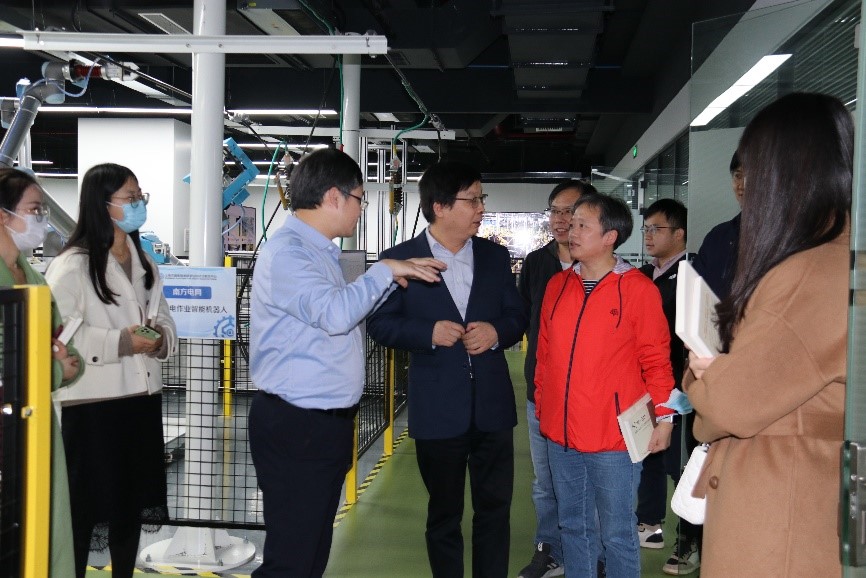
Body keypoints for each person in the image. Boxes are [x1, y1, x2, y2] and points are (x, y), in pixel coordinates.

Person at [247, 148, 445, 578]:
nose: (361, 208)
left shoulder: (318, 252)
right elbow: (336, 315)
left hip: (321, 424)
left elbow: (339, 310)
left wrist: (393, 276)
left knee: (312, 549)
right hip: (297, 425)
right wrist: (384, 270)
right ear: (334, 197)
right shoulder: (290, 254)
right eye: (360, 198)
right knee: (292, 557)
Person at [685, 92, 851, 577]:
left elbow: (728, 407)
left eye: (753, 169)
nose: (746, 184)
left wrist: (703, 377)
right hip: (804, 497)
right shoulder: (835, 257)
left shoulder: (809, 273)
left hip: (779, 515)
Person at [367, 160, 527, 578]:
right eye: (472, 200)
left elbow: (517, 315)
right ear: (439, 206)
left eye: (481, 199)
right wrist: (428, 333)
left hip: (492, 409)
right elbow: (380, 324)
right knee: (444, 515)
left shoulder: (494, 256)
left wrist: (496, 332)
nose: (481, 208)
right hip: (438, 410)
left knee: (495, 510)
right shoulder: (399, 260)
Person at [45, 163, 177, 578]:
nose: (138, 204)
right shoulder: (72, 266)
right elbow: (57, 337)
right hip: (93, 408)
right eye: (130, 198)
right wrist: (120, 342)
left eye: (140, 197)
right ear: (102, 205)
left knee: (129, 507)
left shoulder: (145, 263)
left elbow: (164, 318)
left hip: (140, 401)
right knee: (85, 510)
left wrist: (160, 339)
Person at [534, 192, 675, 578]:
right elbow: (544, 355)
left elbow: (656, 361)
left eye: (583, 224)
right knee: (573, 526)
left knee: (617, 533)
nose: (572, 230)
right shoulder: (558, 286)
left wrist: (665, 418)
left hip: (613, 437)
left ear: (610, 236)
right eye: (572, 222)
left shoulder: (637, 289)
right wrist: (545, 406)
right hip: (562, 434)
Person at [0, 168, 82, 578]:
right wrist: (54, 370)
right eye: (35, 210)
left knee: (42, 522)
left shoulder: (31, 276)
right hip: (8, 424)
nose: (42, 220)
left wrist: (68, 363)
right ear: (3, 215)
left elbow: (57, 340)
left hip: (35, 420)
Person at [517, 179, 596, 578]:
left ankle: (593, 554)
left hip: (592, 397)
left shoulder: (604, 268)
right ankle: (549, 549)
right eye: (556, 211)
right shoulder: (537, 263)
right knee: (545, 481)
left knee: (591, 480)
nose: (562, 220)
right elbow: (523, 318)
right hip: (543, 394)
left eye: (572, 212)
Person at [635, 198, 702, 575]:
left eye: (656, 229)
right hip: (643, 388)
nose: (648, 235)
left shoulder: (693, 274)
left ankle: (689, 540)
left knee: (681, 463)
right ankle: (649, 524)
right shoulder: (642, 275)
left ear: (679, 233)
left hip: (680, 389)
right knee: (648, 456)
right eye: (646, 228)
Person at [691, 152, 743, 299]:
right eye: (738, 176)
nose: (742, 185)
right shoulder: (717, 236)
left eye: (752, 176)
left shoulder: (789, 239)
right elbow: (696, 292)